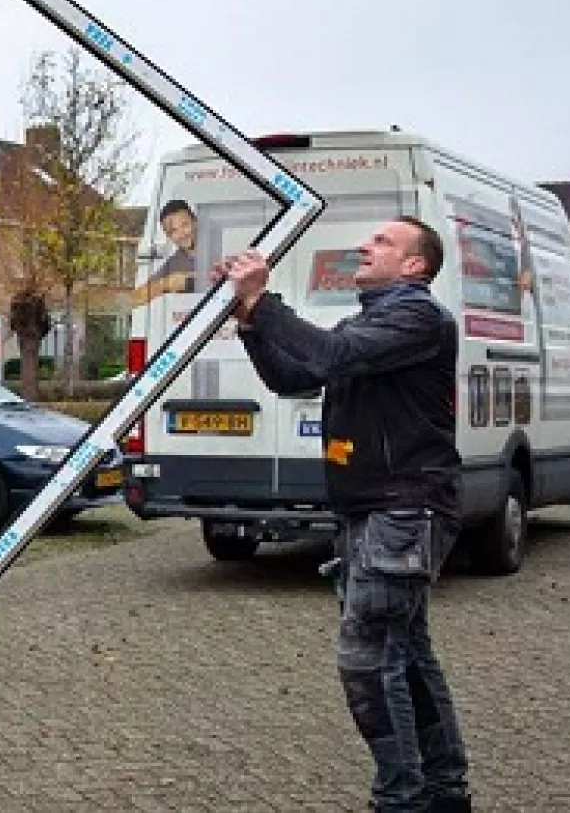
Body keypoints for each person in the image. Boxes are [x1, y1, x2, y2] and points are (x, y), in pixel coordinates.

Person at [212, 217, 471, 813]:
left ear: (414, 265)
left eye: (382, 242)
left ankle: (402, 800)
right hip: (368, 510)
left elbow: (331, 351)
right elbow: (294, 376)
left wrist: (262, 297)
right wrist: (251, 323)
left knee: (368, 659)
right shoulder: (372, 322)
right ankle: (442, 792)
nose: (365, 246)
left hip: (403, 509)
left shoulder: (419, 318)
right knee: (403, 655)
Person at [132, 199, 198, 305]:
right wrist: (165, 284)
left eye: (185, 225)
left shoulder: (220, 244)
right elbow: (136, 298)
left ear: (195, 221)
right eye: (173, 231)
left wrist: (190, 278)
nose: (181, 234)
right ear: (168, 236)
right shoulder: (175, 263)